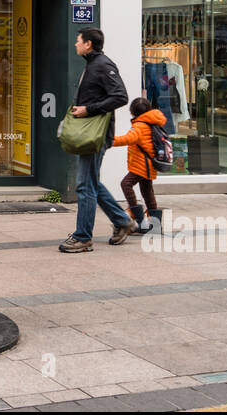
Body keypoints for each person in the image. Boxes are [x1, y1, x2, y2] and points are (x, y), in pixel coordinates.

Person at [60, 28, 135, 253]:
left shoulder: (103, 65)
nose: (75, 44)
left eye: (78, 40)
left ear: (88, 44)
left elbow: (121, 96)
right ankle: (122, 221)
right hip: (90, 134)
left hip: (95, 135)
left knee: (85, 186)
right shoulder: (93, 64)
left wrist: (88, 109)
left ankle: (83, 237)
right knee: (91, 182)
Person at [112, 97, 166, 234]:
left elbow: (128, 139)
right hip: (149, 165)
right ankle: (156, 225)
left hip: (141, 165)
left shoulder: (139, 126)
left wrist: (110, 141)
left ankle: (138, 218)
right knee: (147, 192)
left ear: (132, 112)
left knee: (126, 184)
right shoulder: (151, 122)